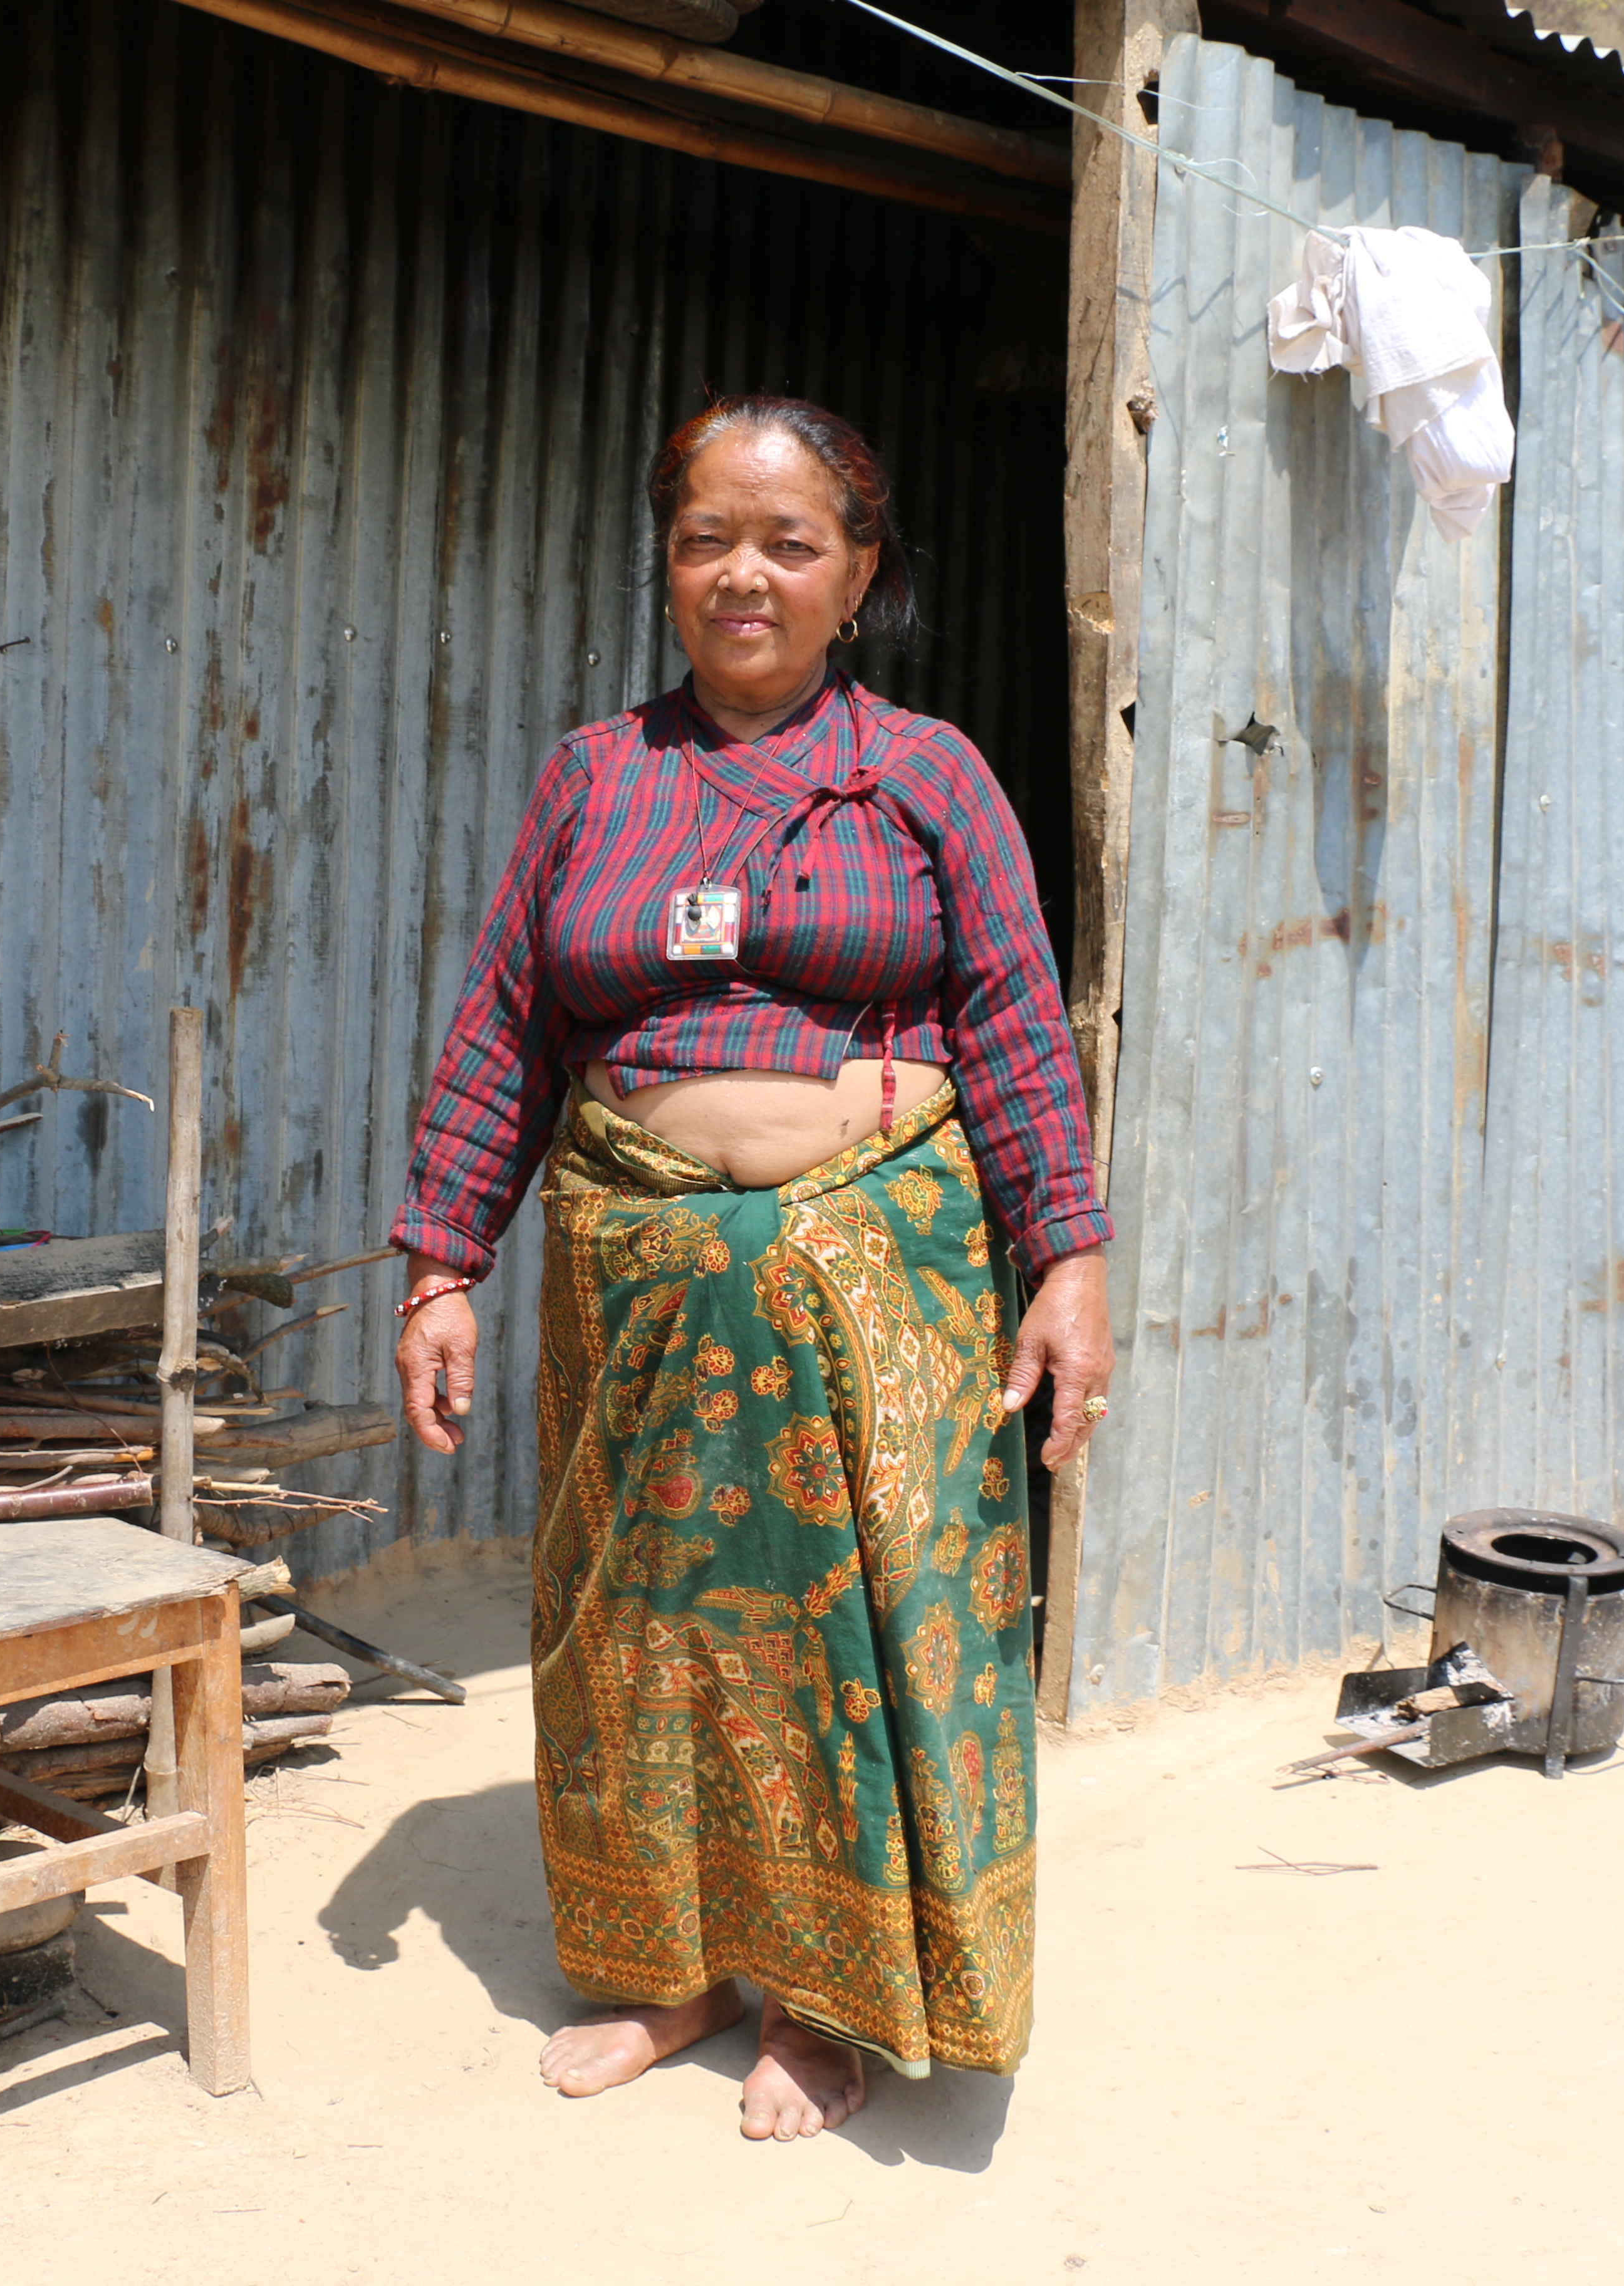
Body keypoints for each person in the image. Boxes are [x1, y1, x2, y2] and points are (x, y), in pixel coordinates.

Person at [388, 397, 1113, 2142]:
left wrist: (1068, 1259)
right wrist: (437, 1262)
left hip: (882, 1282)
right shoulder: (595, 776)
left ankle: (830, 2001)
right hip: (633, 1281)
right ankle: (680, 1972)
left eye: (790, 543)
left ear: (857, 574)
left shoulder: (927, 775)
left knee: (858, 1639)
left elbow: (1015, 1022)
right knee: (642, 1634)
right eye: (711, 535)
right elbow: (506, 1025)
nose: (744, 574)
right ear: (668, 558)